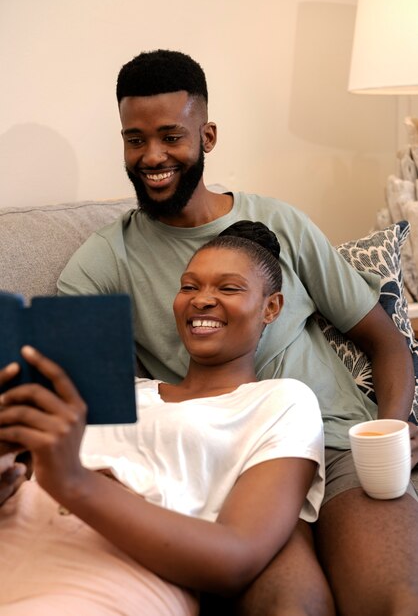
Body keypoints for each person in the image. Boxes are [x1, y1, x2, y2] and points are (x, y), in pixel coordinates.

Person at [53, 49, 418, 615]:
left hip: (340, 443)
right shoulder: (104, 262)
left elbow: (384, 338)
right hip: (235, 462)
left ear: (208, 135)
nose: (152, 157)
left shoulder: (281, 223)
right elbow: (70, 382)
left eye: (171, 136)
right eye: (134, 139)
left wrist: (390, 427)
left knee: (398, 599)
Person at [0, 223, 324, 616]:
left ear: (270, 307)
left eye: (228, 288)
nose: (202, 300)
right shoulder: (114, 389)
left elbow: (237, 559)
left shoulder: (281, 401)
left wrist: (73, 480)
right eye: (189, 287)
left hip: (111, 571)